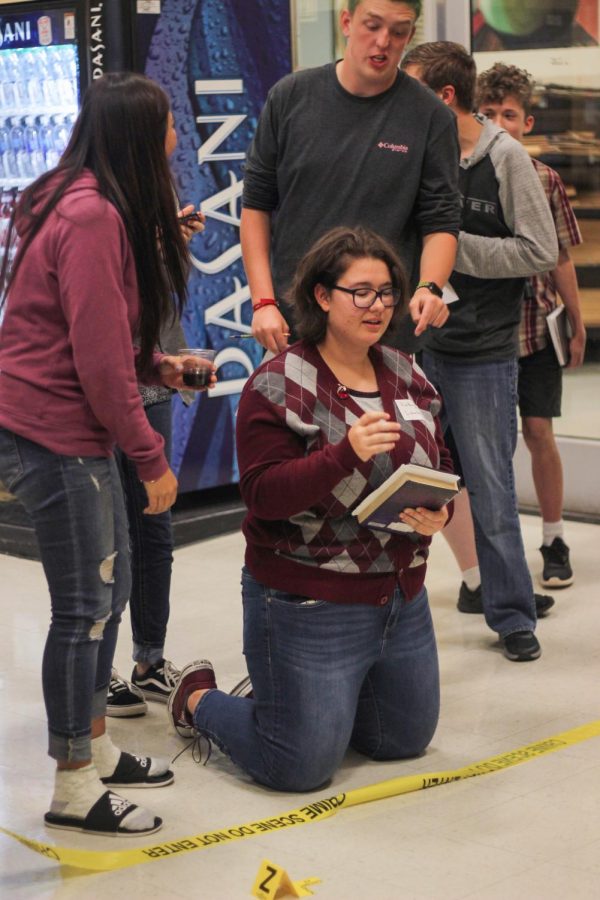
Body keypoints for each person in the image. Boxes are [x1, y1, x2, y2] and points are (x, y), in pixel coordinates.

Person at [0, 73, 213, 836]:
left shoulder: (74, 195)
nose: (174, 141)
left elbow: (90, 334)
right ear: (135, 135)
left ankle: (93, 745)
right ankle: (71, 784)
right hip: (56, 430)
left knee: (109, 593)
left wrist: (158, 366)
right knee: (85, 609)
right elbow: (91, 361)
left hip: (62, 418)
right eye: (164, 127)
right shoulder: (91, 215)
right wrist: (151, 456)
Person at [167, 226, 452, 792]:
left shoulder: (406, 371)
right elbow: (263, 495)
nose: (378, 306)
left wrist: (439, 513)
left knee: (402, 740)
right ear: (322, 296)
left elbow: (441, 461)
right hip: (307, 598)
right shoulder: (276, 384)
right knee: (297, 768)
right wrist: (343, 454)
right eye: (361, 292)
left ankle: (303, 701)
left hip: (398, 594)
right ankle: (197, 697)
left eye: (387, 292)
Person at [401, 42, 558, 662]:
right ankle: (398, 610)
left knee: (491, 489)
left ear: (443, 98)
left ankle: (514, 616)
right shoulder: (412, 150)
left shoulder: (507, 159)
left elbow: (539, 251)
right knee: (411, 483)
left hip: (481, 353)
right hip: (413, 346)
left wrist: (448, 246)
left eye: (409, 90)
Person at [241, 0, 462, 357]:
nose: (383, 41)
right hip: (295, 327)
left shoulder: (431, 117)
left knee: (385, 416)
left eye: (398, 31)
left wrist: (429, 287)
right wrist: (263, 301)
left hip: (385, 335)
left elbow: (441, 221)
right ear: (346, 21)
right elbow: (256, 207)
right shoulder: (290, 97)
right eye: (372, 26)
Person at [476, 63, 586, 589]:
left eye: (510, 115)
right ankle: (491, 562)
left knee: (539, 431)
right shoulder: (466, 172)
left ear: (528, 121)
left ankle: (554, 536)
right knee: (489, 448)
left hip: (537, 328)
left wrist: (577, 321)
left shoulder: (544, 179)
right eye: (490, 113)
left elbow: (559, 256)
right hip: (485, 333)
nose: (500, 122)